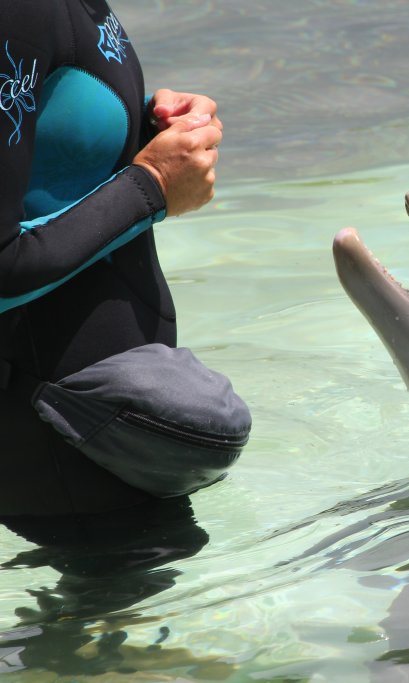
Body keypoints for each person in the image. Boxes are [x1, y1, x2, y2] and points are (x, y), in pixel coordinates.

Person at [0, 0, 232, 516]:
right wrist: (153, 186)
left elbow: (38, 149)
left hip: (100, 417)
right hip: (60, 424)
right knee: (121, 589)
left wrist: (147, 126)